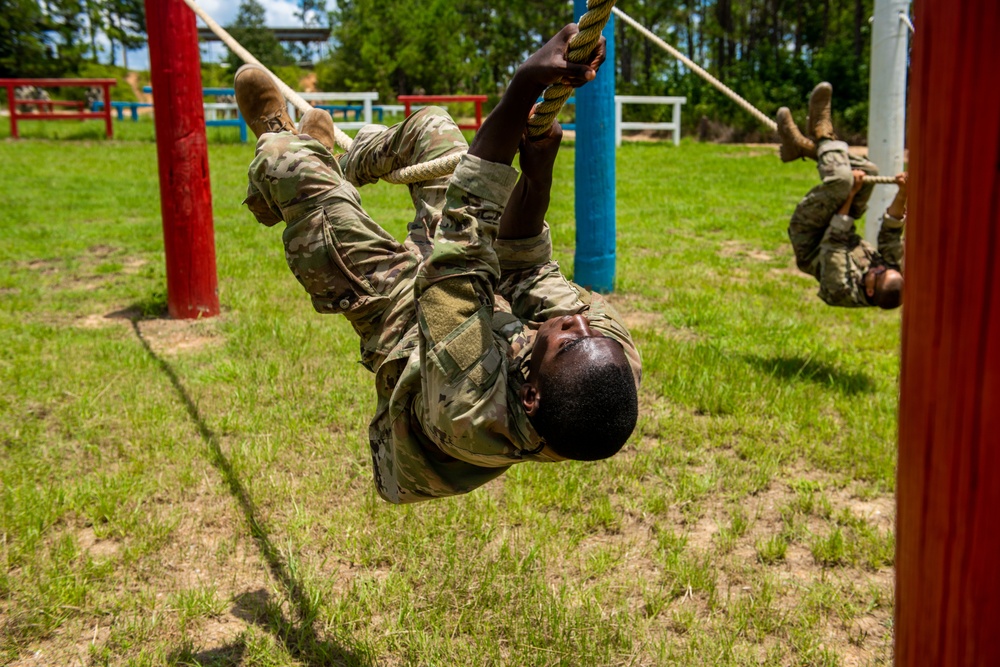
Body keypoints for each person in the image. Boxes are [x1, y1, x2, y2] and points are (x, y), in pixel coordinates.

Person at [234, 25, 642, 504]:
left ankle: (287, 155)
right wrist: (537, 175)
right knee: (432, 126)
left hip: (407, 339)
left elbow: (458, 258)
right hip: (474, 307)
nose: (577, 321)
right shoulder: (606, 358)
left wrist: (525, 82)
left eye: (568, 339)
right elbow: (526, 266)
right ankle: (331, 162)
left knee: (284, 162)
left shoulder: (471, 407)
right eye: (587, 329)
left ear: (530, 395)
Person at [775, 83, 906, 309]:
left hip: (811, 235)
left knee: (843, 182)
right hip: (841, 224)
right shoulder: (890, 274)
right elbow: (891, 232)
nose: (878, 267)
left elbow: (835, 239)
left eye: (878, 273)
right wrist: (903, 191)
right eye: (884, 268)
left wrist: (851, 194)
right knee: (869, 171)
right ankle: (801, 148)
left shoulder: (841, 288)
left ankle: (822, 132)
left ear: (870, 290)